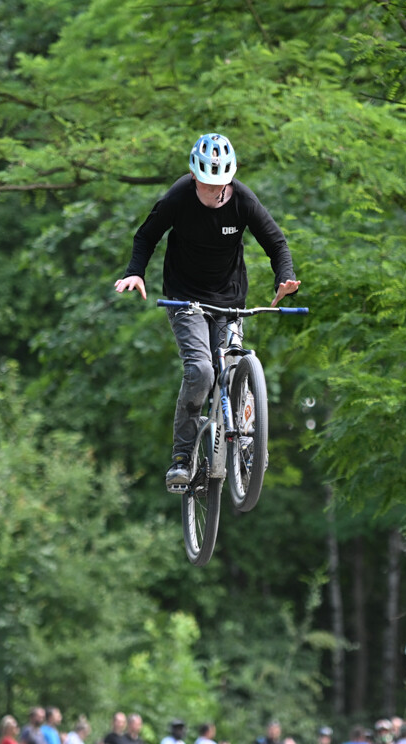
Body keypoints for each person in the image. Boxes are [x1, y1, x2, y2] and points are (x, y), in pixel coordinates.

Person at [114, 133, 301, 491]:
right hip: (185, 299)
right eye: (207, 185)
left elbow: (276, 242)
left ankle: (248, 443)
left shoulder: (243, 199)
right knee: (201, 371)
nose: (215, 193)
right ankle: (183, 457)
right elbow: (146, 236)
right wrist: (135, 272)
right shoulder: (179, 197)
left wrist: (285, 277)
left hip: (230, 298)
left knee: (234, 365)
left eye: (221, 185)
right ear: (193, 176)